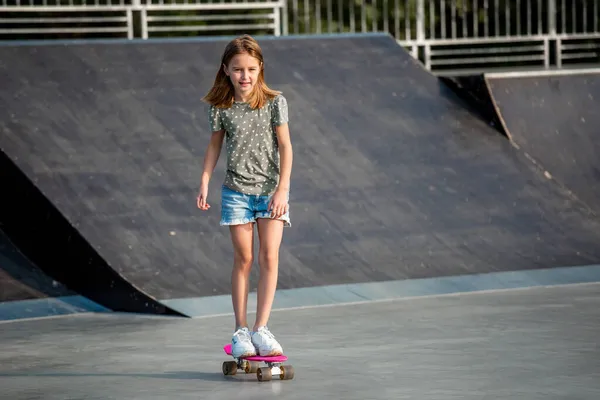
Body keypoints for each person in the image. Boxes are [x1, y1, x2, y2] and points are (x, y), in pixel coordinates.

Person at [197, 35, 293, 358]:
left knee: (269, 257)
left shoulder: (275, 103)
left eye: (251, 69)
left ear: (260, 68)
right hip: (236, 192)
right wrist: (205, 180)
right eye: (238, 69)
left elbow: (286, 147)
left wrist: (282, 189)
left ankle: (261, 328)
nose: (245, 76)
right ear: (226, 70)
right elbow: (214, 146)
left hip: (270, 193)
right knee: (244, 259)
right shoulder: (222, 108)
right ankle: (241, 331)